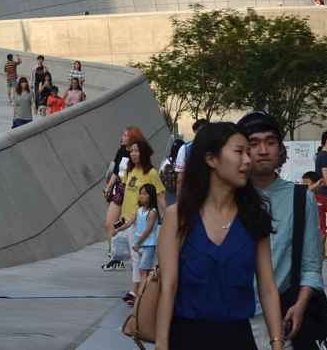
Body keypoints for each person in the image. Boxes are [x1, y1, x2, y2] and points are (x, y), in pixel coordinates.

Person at [154, 122, 284, 349]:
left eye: (248, 153)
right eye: (239, 151)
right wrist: (162, 343)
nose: (247, 160)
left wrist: (277, 342)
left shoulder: (254, 218)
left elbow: (268, 288)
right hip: (187, 338)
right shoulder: (179, 217)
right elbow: (168, 286)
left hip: (238, 338)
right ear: (211, 159)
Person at [238, 111, 324, 349]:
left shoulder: (300, 198)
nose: (263, 150)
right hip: (231, 320)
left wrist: (301, 304)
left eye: (270, 142)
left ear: (280, 149)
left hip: (281, 317)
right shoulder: (227, 197)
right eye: (253, 143)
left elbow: (311, 265)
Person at [104, 127, 146, 270]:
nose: (123, 137)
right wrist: (109, 187)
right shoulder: (121, 150)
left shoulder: (137, 153)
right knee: (110, 223)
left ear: (132, 138)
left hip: (131, 190)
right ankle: (115, 257)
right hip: (119, 188)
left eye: (126, 135)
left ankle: (133, 256)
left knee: (129, 224)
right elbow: (116, 171)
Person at [127, 183, 161, 305]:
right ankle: (142, 297)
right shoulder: (139, 211)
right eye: (140, 193)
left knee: (143, 272)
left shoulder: (153, 212)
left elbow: (148, 230)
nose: (141, 196)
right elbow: (129, 223)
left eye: (145, 194)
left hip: (148, 246)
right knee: (143, 271)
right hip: (140, 246)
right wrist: (117, 229)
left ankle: (140, 297)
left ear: (151, 196)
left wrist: (138, 243)